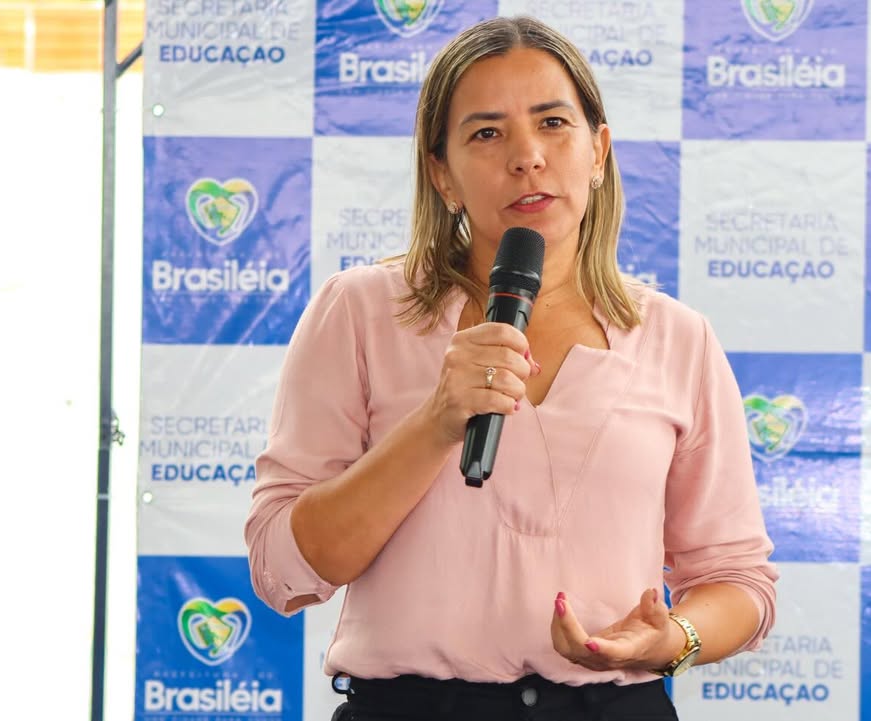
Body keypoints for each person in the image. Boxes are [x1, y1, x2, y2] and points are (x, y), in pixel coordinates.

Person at [245, 15, 777, 721]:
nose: (527, 157)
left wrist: (671, 639)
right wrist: (436, 421)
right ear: (442, 174)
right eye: (487, 133)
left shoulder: (677, 337)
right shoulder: (361, 310)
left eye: (553, 123)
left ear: (598, 151)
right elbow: (283, 568)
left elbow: (738, 580)